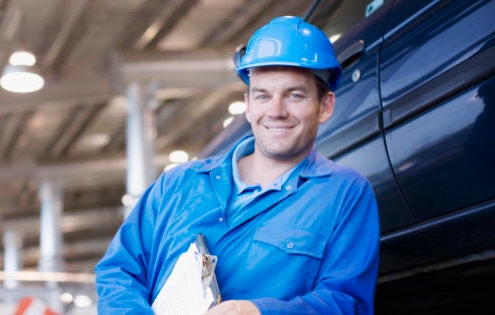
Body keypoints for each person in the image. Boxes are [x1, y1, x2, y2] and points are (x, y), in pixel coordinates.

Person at [95, 16, 380, 314]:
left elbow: (347, 302)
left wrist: (258, 312)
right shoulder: (177, 185)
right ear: (248, 104)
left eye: (294, 95)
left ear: (325, 106)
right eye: (263, 95)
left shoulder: (344, 193)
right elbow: (118, 272)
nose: (276, 111)